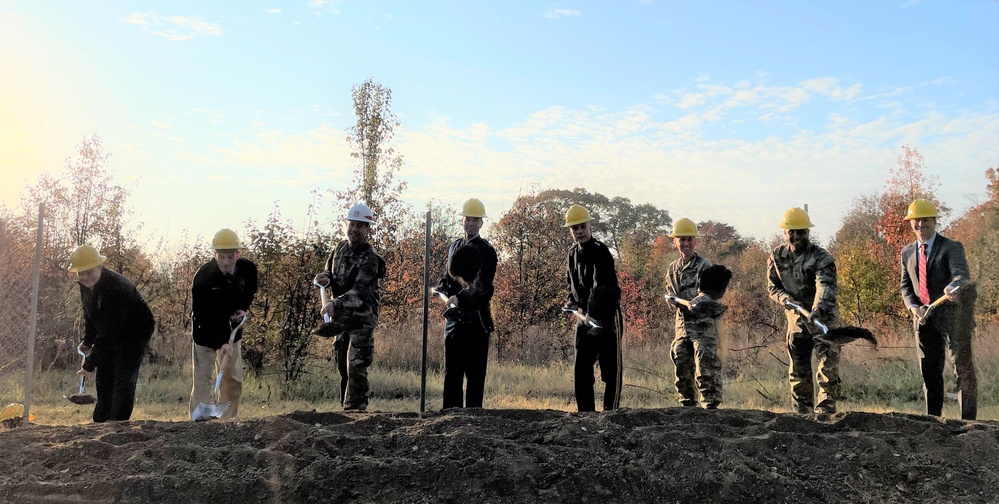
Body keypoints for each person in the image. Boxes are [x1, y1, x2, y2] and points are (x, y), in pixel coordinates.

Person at [899, 199, 977, 420]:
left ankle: (969, 424)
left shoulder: (951, 247)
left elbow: (961, 275)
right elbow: (905, 286)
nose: (920, 224)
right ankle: (933, 422)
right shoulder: (906, 253)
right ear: (911, 223)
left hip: (954, 316)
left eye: (925, 220)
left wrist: (955, 285)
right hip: (924, 319)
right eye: (916, 220)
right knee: (930, 372)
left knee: (962, 369)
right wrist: (913, 307)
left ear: (934, 221)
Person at [766, 207, 841, 414]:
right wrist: (785, 299)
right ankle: (802, 416)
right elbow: (773, 287)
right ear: (785, 232)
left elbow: (825, 285)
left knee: (827, 368)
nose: (797, 236)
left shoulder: (822, 257)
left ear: (808, 232)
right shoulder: (776, 256)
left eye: (801, 232)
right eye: (792, 232)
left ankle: (826, 414)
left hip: (823, 319)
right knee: (799, 372)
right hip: (796, 321)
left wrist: (817, 308)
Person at [313, 203, 386, 411]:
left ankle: (356, 411)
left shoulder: (370, 258)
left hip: (362, 319)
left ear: (367, 229)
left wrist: (335, 303)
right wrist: (324, 278)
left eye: (360, 226)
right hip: (342, 319)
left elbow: (361, 292)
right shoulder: (339, 249)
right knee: (342, 366)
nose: (354, 229)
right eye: (352, 224)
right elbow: (329, 273)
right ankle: (345, 416)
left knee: (356, 365)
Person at [70, 245, 155, 422]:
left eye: (89, 271)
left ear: (100, 266)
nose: (85, 277)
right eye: (81, 273)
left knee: (123, 379)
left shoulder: (116, 288)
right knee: (104, 378)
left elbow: (109, 331)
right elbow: (91, 316)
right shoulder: (86, 285)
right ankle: (100, 422)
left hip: (135, 331)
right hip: (112, 331)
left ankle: (118, 424)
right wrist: (87, 341)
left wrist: (89, 364)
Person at [433, 198, 497, 409]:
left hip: (476, 321)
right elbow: (450, 275)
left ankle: (473, 422)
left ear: (481, 223)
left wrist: (460, 297)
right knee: (452, 372)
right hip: (454, 320)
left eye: (475, 220)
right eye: (467, 219)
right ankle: (450, 417)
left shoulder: (487, 251)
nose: (470, 223)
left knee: (475, 374)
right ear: (462, 220)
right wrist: (442, 286)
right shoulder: (454, 247)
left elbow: (482, 287)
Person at [190, 229, 258, 420]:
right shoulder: (203, 277)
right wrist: (220, 342)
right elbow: (202, 316)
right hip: (205, 334)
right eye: (221, 257)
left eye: (230, 256)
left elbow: (249, 291)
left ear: (238, 254)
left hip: (231, 332)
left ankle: (227, 421)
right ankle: (199, 421)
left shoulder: (248, 270)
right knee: (203, 379)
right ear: (215, 255)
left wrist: (243, 308)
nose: (226, 262)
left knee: (232, 380)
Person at [563, 204, 623, 412]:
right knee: (582, 369)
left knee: (610, 371)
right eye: (574, 228)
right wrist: (572, 301)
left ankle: (611, 413)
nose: (579, 231)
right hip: (584, 318)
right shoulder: (571, 253)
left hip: (606, 320)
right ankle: (585, 414)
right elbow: (571, 283)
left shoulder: (601, 252)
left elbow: (603, 288)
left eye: (582, 227)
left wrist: (593, 313)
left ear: (589, 226)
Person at [664, 218, 722, 409]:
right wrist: (672, 300)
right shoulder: (672, 269)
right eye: (682, 240)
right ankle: (688, 411)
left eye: (689, 239)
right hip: (682, 329)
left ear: (695, 241)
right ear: (675, 242)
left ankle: (711, 411)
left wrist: (699, 299)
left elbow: (711, 292)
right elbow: (670, 294)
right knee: (682, 370)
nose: (686, 244)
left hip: (703, 329)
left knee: (705, 370)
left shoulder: (704, 265)